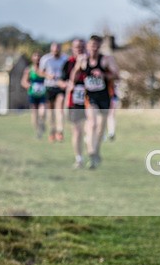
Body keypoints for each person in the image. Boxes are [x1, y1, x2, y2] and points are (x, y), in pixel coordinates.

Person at [74, 35, 119, 169]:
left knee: (100, 128)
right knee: (92, 124)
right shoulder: (82, 60)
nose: (93, 48)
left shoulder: (106, 60)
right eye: (91, 45)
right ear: (88, 46)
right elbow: (75, 74)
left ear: (99, 47)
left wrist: (103, 75)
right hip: (90, 97)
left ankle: (97, 150)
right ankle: (91, 153)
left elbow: (117, 75)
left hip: (105, 97)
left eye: (96, 45)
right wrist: (72, 84)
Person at [64, 39, 88, 168]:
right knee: (77, 131)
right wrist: (67, 85)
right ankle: (79, 158)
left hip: (90, 100)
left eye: (82, 47)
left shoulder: (91, 61)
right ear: (72, 48)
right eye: (77, 47)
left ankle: (92, 153)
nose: (79, 49)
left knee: (90, 129)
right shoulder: (68, 63)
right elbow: (63, 81)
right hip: (74, 101)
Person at [39, 41, 69, 142]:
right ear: (51, 49)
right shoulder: (45, 59)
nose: (55, 52)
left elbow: (68, 72)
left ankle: (60, 132)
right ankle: (52, 131)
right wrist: (48, 76)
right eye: (54, 50)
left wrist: (65, 82)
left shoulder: (65, 59)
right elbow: (40, 72)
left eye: (57, 50)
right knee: (51, 111)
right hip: (49, 86)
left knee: (59, 109)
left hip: (60, 87)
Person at [20, 51, 48, 138]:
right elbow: (23, 81)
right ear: (32, 59)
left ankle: (42, 123)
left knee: (42, 112)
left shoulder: (44, 70)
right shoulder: (29, 69)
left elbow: (49, 78)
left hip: (43, 94)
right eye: (35, 56)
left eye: (39, 57)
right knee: (34, 114)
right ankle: (38, 131)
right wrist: (28, 85)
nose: (37, 59)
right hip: (33, 94)